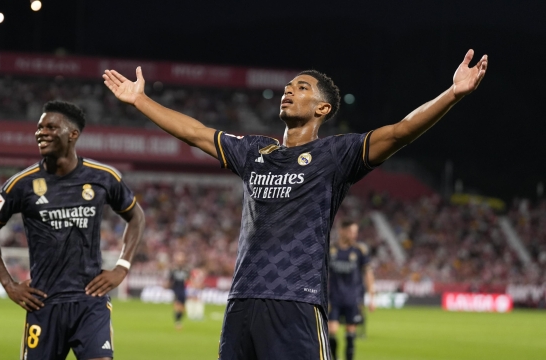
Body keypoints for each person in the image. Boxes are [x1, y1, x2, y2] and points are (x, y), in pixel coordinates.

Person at [102, 49, 487, 360]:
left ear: (322, 109)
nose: (289, 90)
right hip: (241, 302)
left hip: (295, 302)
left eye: (301, 88)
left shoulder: (336, 154)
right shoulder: (255, 151)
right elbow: (196, 133)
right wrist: (140, 100)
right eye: (288, 86)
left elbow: (401, 132)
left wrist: (451, 94)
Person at [0, 100, 145, 360]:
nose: (41, 132)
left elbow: (136, 216)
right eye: (39, 127)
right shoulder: (21, 184)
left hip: (90, 300)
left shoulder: (103, 177)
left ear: (72, 134)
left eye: (51, 127)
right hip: (43, 302)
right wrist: (8, 285)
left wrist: (122, 266)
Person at [328, 220, 375, 360]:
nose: (353, 235)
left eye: (355, 232)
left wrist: (372, 297)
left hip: (352, 298)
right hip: (334, 298)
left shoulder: (360, 250)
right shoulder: (330, 249)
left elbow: (368, 273)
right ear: (341, 230)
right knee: (332, 330)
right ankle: (334, 357)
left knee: (350, 332)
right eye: (350, 231)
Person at [168, 251, 191, 329]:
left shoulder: (186, 270)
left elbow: (189, 279)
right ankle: (177, 322)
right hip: (175, 289)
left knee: (182, 308)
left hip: (183, 290)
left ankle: (179, 321)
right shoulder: (173, 269)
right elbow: (170, 280)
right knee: (177, 305)